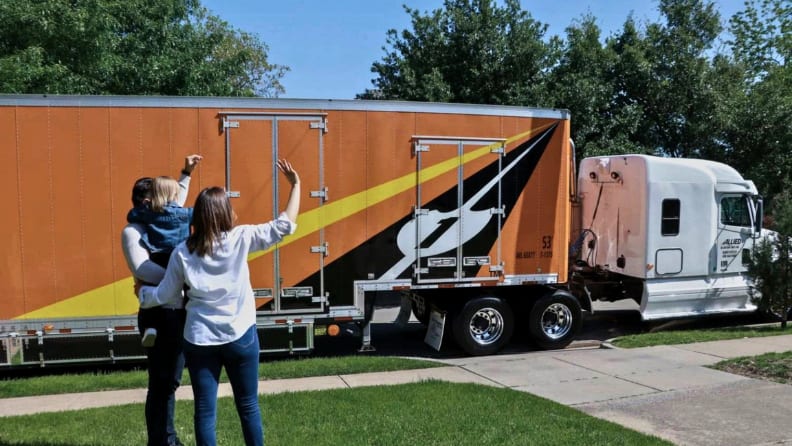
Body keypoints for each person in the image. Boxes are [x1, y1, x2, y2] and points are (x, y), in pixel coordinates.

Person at [137, 159, 300, 446]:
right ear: (226, 213)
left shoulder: (182, 252)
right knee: (248, 407)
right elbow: (285, 225)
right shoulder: (242, 238)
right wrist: (296, 185)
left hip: (200, 340)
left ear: (196, 216)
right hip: (241, 336)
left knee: (204, 412)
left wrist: (142, 293)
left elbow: (165, 295)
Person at [121, 154, 202, 446]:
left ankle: (165, 438)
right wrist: (178, 277)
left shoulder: (162, 220)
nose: (166, 205)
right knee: (162, 383)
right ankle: (162, 440)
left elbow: (177, 205)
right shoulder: (133, 231)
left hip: (177, 310)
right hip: (158, 312)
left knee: (170, 381)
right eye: (157, 199)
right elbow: (142, 269)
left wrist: (186, 172)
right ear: (147, 203)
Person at [128, 172, 200, 347]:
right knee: (186, 287)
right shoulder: (185, 214)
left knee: (152, 289)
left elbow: (131, 216)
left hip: (158, 257)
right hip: (179, 257)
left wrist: (146, 207)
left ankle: (151, 326)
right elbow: (199, 216)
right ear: (175, 195)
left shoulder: (148, 214)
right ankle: (192, 319)